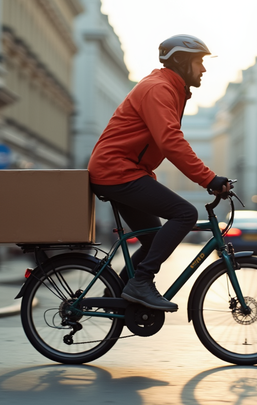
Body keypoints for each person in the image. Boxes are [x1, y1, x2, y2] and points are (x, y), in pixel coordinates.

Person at [87, 34, 231, 312]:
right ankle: (140, 283)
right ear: (180, 61)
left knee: (154, 239)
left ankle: (115, 293)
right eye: (199, 62)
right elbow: (171, 141)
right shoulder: (159, 89)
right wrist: (208, 178)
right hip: (117, 171)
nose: (204, 69)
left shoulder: (170, 89)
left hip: (122, 171)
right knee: (186, 214)